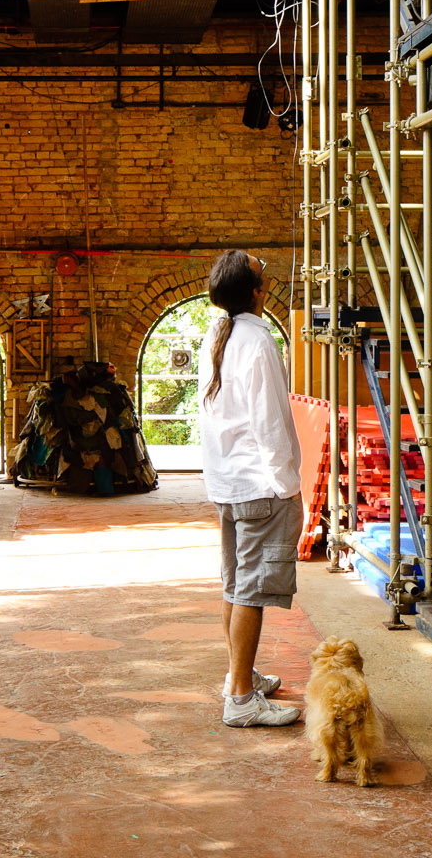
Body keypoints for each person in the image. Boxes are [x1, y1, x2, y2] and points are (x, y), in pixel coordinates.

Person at [198, 248, 304, 729]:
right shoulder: (258, 341)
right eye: (262, 271)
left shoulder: (218, 333)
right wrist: (287, 484)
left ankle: (239, 676)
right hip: (260, 486)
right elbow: (269, 421)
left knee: (236, 585)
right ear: (258, 293)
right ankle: (241, 700)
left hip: (228, 481)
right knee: (252, 592)